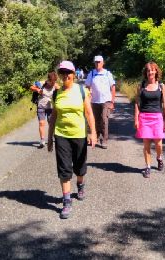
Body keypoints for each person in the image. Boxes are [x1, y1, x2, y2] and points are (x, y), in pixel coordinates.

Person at [47, 60, 97, 219]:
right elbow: (54, 116)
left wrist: (93, 132)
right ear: (60, 75)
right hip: (61, 135)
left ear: (74, 74)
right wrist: (49, 137)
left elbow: (89, 113)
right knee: (64, 168)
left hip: (79, 134)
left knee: (80, 166)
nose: (65, 75)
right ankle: (66, 200)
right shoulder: (56, 93)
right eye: (62, 73)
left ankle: (80, 184)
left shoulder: (82, 91)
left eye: (68, 72)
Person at [134, 62, 165, 178]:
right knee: (146, 145)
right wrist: (136, 119)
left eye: (153, 70)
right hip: (144, 118)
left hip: (157, 117)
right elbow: (137, 103)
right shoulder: (141, 86)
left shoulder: (161, 86)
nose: (151, 72)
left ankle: (159, 158)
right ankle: (148, 167)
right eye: (148, 70)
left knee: (159, 144)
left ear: (156, 71)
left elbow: (164, 103)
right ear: (146, 72)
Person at [85, 55, 116, 149]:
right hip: (94, 101)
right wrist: (88, 96)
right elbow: (87, 86)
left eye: (99, 62)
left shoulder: (107, 73)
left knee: (104, 119)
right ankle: (96, 137)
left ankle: (105, 140)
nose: (97, 64)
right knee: (95, 120)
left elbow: (113, 87)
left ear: (103, 63)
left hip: (106, 101)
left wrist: (112, 101)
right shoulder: (92, 73)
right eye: (96, 62)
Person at [30, 72, 58, 148]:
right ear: (48, 80)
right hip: (41, 106)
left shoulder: (55, 85)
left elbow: (61, 91)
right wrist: (37, 90)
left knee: (51, 123)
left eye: (54, 82)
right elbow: (31, 87)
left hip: (51, 107)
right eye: (52, 82)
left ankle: (52, 137)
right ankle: (42, 141)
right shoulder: (41, 83)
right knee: (42, 123)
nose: (53, 84)